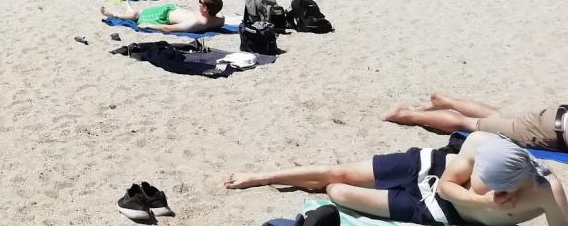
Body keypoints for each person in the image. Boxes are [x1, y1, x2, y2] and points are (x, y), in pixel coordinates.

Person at [223, 132, 566, 226]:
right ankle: (262, 176)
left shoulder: (545, 191)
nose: (475, 178)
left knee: (337, 191)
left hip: (435, 212)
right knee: (339, 172)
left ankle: (311, 181)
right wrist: (478, 199)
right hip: (425, 168)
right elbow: (448, 183)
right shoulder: (480, 146)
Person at [383, 92, 568, 152]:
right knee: (470, 125)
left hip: (556, 115)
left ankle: (447, 103)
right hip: (549, 130)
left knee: (497, 119)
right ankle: (406, 115)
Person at [100, 0, 224, 33]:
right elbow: (220, 13)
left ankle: (114, 14)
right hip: (171, 9)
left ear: (205, 8)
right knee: (138, 13)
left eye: (200, 1)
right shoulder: (220, 18)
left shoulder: (197, 23)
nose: (198, 3)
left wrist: (150, 26)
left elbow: (169, 28)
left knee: (137, 15)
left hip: (163, 16)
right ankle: (128, 10)